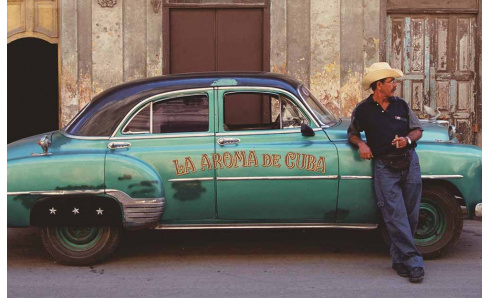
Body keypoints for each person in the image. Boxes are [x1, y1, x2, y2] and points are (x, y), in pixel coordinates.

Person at [347, 62, 425, 283]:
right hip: (385, 168)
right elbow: (352, 133)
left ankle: (399, 260)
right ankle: (414, 262)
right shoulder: (363, 109)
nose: (394, 85)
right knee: (395, 216)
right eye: (391, 82)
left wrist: (407, 140)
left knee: (410, 216)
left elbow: (417, 129)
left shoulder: (401, 105)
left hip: (409, 163)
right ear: (378, 85)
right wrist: (362, 145)